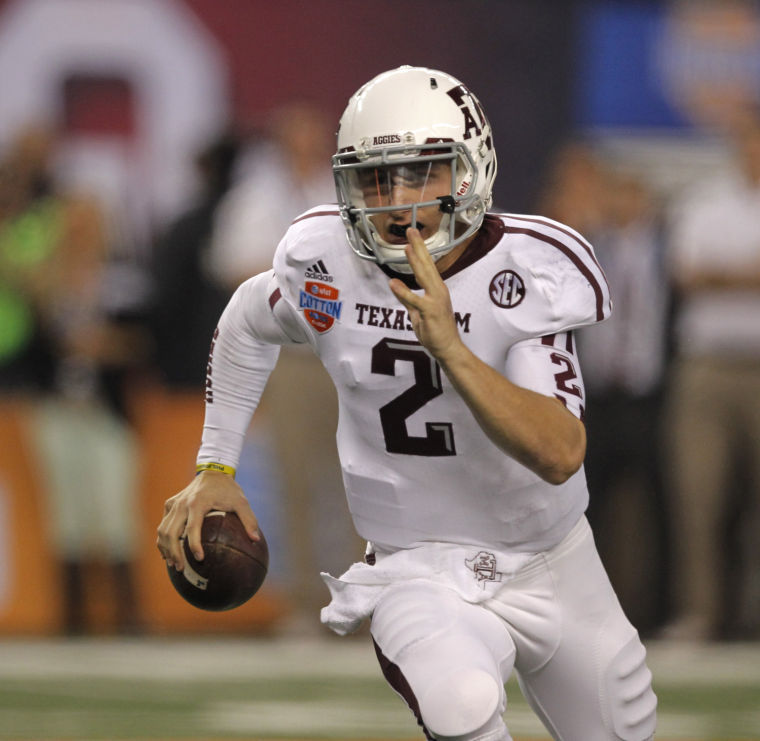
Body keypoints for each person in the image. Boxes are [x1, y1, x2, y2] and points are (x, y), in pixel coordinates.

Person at [157, 67, 656, 740]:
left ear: (471, 170)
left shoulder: (524, 274)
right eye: (373, 177)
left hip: (551, 560)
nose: (394, 201)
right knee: (462, 701)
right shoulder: (325, 261)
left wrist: (452, 348)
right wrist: (216, 467)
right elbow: (247, 319)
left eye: (421, 173)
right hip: (415, 565)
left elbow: (561, 450)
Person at [662, 103, 760, 642]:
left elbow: (711, 273)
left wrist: (726, 274)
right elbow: (688, 274)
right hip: (708, 366)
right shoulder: (707, 203)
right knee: (698, 495)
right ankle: (701, 615)